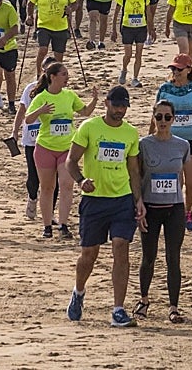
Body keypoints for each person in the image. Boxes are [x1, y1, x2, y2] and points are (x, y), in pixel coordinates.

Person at [66, 85, 145, 326]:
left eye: (124, 106)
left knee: (121, 248)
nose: (120, 110)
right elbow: (71, 160)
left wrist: (138, 199)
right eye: (117, 105)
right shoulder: (89, 127)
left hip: (121, 200)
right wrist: (81, 181)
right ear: (107, 103)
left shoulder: (130, 133)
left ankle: (118, 309)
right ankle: (78, 292)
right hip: (94, 200)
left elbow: (133, 170)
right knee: (89, 254)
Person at [27, 62, 99, 239]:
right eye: (64, 74)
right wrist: (40, 110)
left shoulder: (69, 96)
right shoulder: (41, 97)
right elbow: (28, 119)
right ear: (53, 77)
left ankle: (64, 225)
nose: (67, 78)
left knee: (67, 185)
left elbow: (85, 112)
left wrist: (95, 100)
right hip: (45, 147)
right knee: (47, 187)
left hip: (67, 148)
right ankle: (47, 226)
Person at [134, 99, 190, 323]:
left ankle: (174, 306)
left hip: (174, 207)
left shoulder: (182, 145)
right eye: (159, 117)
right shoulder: (144, 144)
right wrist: (138, 204)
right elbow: (137, 176)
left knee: (173, 258)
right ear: (153, 118)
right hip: (150, 208)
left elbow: (184, 178)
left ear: (174, 119)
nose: (163, 121)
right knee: (148, 257)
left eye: (167, 117)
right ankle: (144, 299)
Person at [154, 54, 192, 231]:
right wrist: (151, 138)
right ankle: (174, 213)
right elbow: (155, 115)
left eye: (179, 69)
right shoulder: (164, 89)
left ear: (189, 70)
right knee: (176, 180)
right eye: (173, 69)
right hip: (170, 140)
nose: (175, 72)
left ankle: (187, 209)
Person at [13, 56, 59, 220]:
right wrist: (14, 131)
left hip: (53, 140)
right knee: (33, 177)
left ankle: (50, 212)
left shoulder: (61, 91)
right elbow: (22, 111)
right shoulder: (31, 89)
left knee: (55, 180)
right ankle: (32, 198)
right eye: (46, 70)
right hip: (32, 138)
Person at [26, 0, 78, 77]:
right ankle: (39, 73)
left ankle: (57, 76)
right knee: (43, 49)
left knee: (58, 55)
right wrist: (29, 16)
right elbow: (30, 3)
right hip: (44, 25)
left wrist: (70, 9)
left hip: (61, 26)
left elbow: (75, 3)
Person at [112, 0, 149, 86]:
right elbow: (116, 14)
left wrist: (151, 28)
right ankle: (124, 70)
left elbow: (148, 13)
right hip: (127, 27)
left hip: (141, 27)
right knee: (128, 54)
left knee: (139, 54)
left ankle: (135, 78)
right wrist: (113, 29)